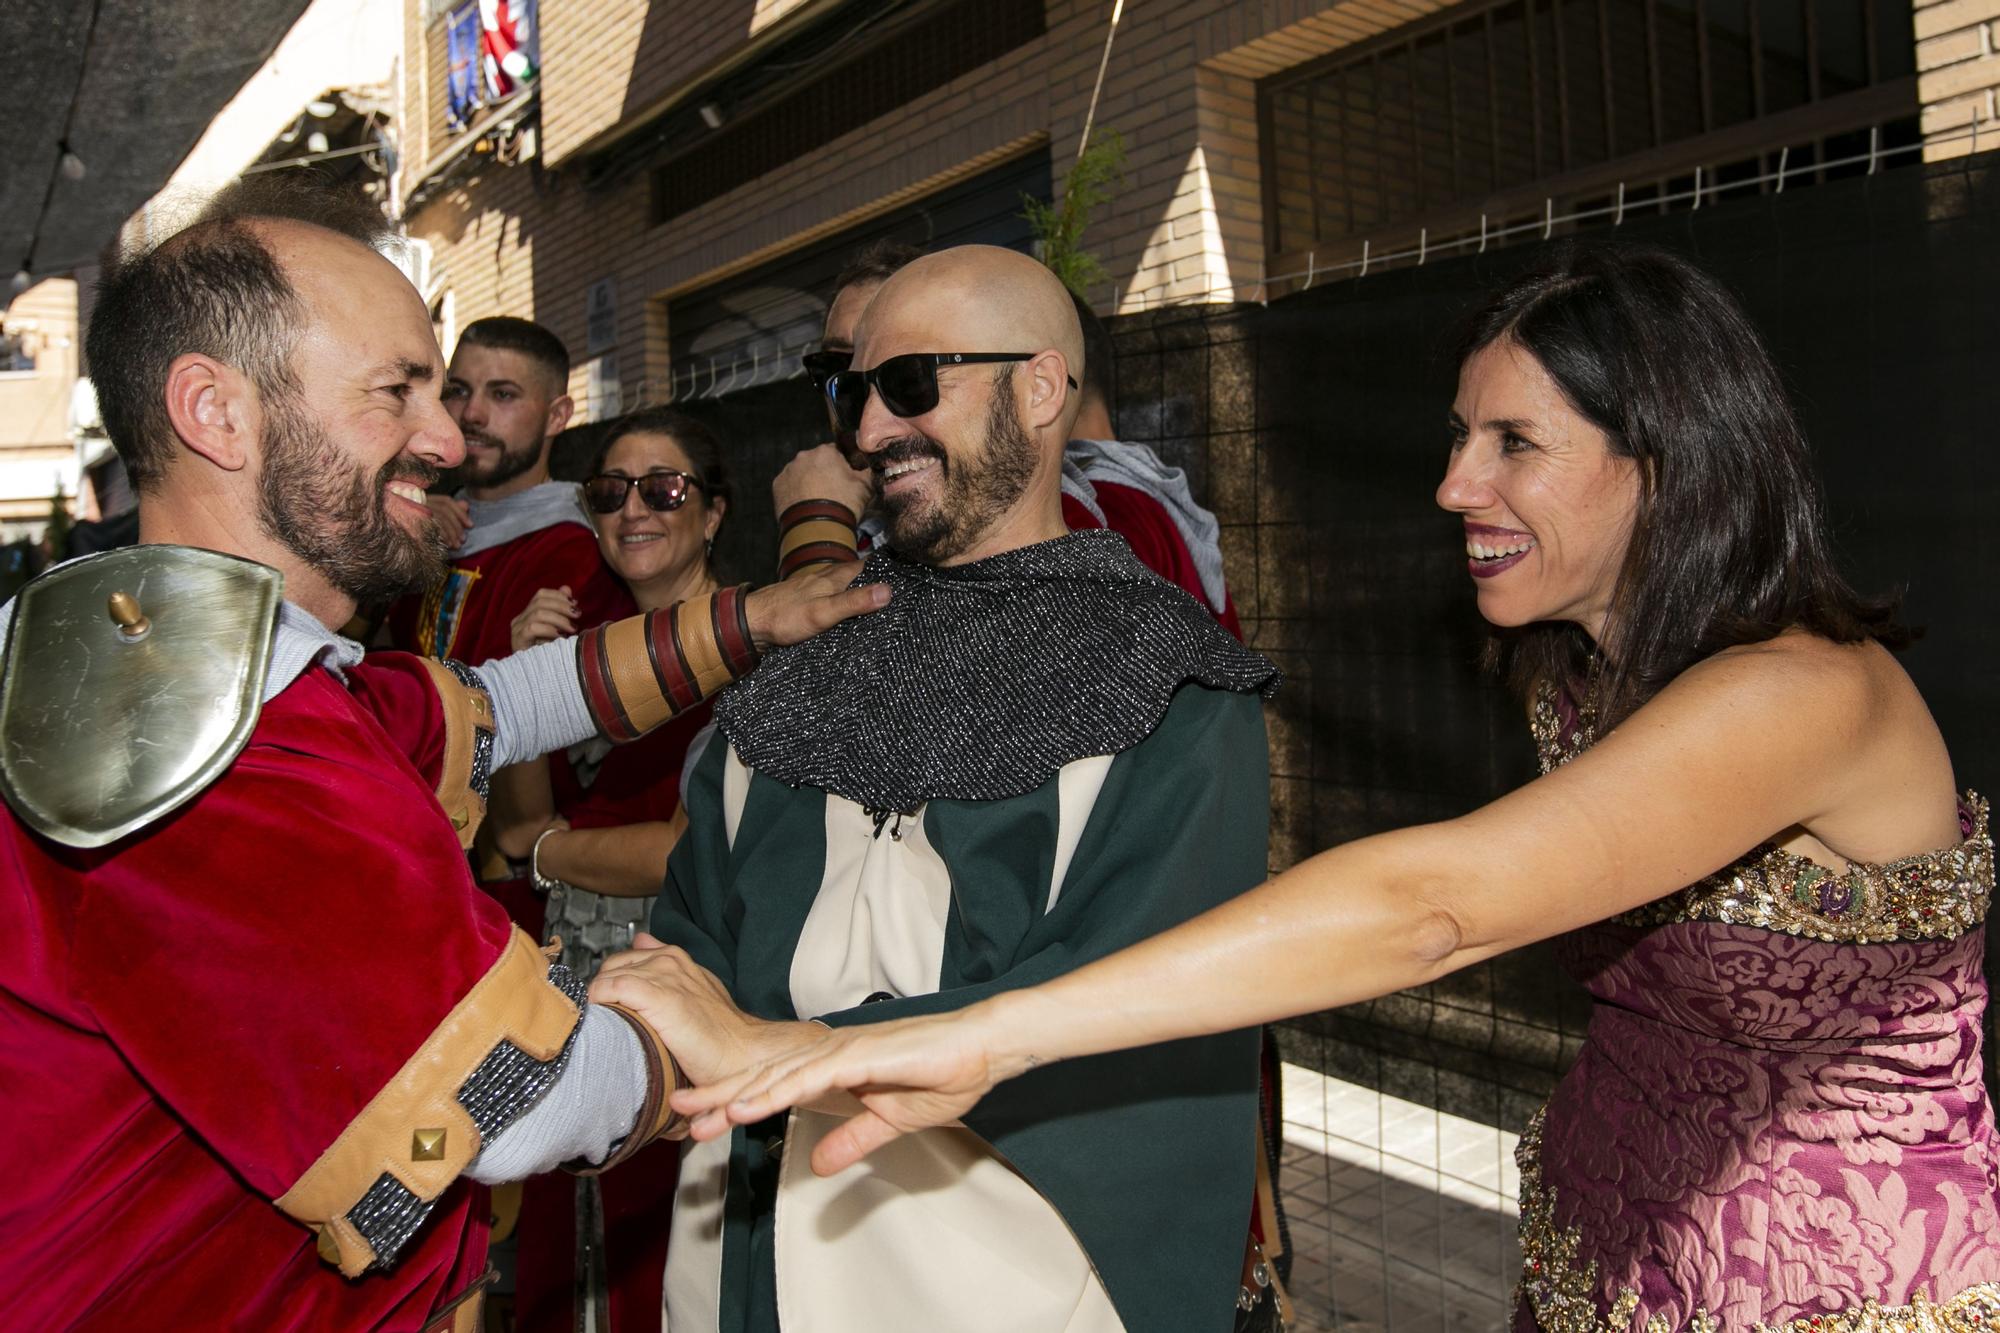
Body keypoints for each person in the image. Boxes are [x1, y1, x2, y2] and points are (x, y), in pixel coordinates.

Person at [666, 243, 2000, 1330]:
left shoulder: (1806, 694)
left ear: (1664, 459)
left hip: (1838, 1284)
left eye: (1512, 443)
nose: (1450, 482)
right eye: (1458, 433)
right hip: (1608, 1250)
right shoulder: (1578, 682)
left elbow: (1430, 908)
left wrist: (982, 1032)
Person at [0, 179, 881, 1330]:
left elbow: (495, 703)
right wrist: (723, 1042)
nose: (446, 436)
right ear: (216, 412)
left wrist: (755, 619)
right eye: (395, 392)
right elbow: (515, 1097)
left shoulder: (169, 650)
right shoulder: (224, 754)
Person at [589, 243, 1281, 1333]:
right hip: (739, 1259)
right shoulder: (802, 661)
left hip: (990, 1279)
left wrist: (786, 1055)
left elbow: (1137, 1010)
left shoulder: (1170, 683)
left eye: (910, 386)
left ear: (1039, 386)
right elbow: (691, 941)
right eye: (851, 393)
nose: (864, 433)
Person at [497, 408, 738, 1333]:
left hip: (698, 971)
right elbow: (518, 821)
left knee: (674, 1239)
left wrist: (556, 851)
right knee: (571, 1233)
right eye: (610, 492)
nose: (634, 510)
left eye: (664, 488)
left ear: (712, 512)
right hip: (569, 982)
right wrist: (527, 674)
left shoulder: (750, 639)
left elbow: (688, 846)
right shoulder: (581, 639)